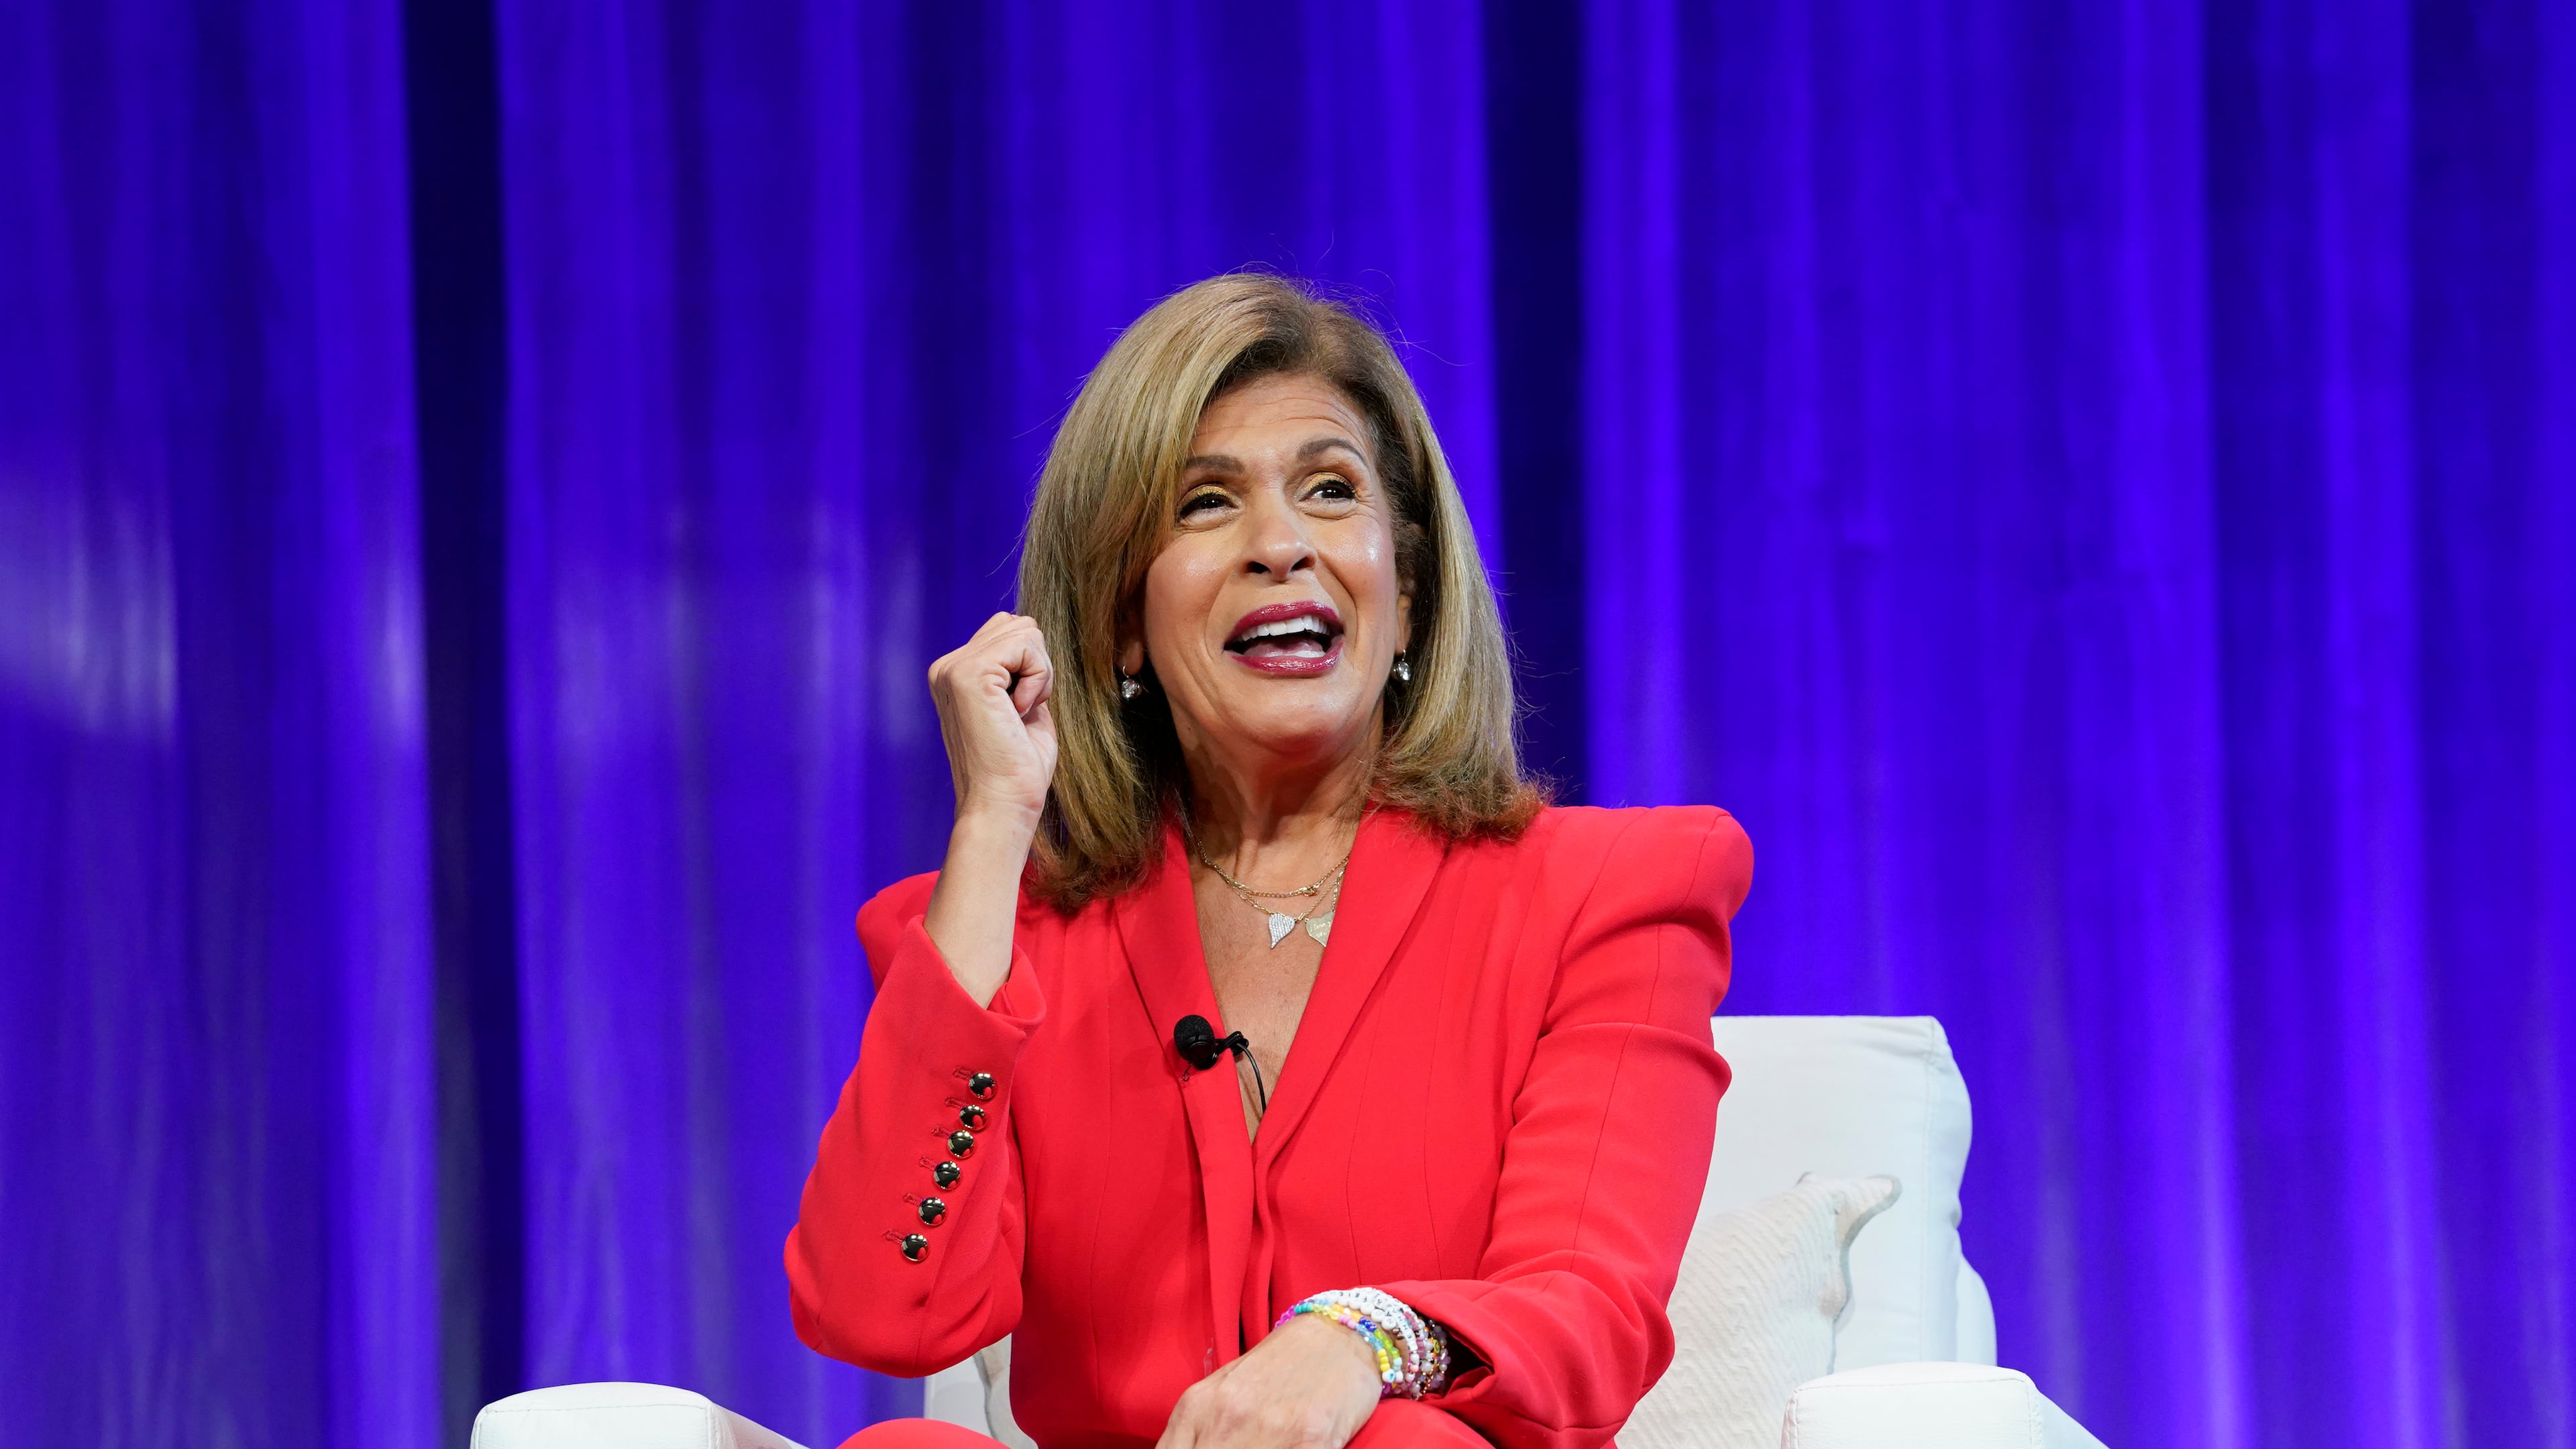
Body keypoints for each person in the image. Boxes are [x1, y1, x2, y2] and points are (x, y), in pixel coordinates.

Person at [787, 274, 1752, 1449]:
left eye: (1332, 490)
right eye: (1204, 505)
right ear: (1121, 622)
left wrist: (1361, 1341)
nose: (1281, 544)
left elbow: (1584, 1312)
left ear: (1407, 590)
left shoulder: (1608, 897)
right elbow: (879, 1310)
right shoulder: (1010, 944)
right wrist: (995, 825)